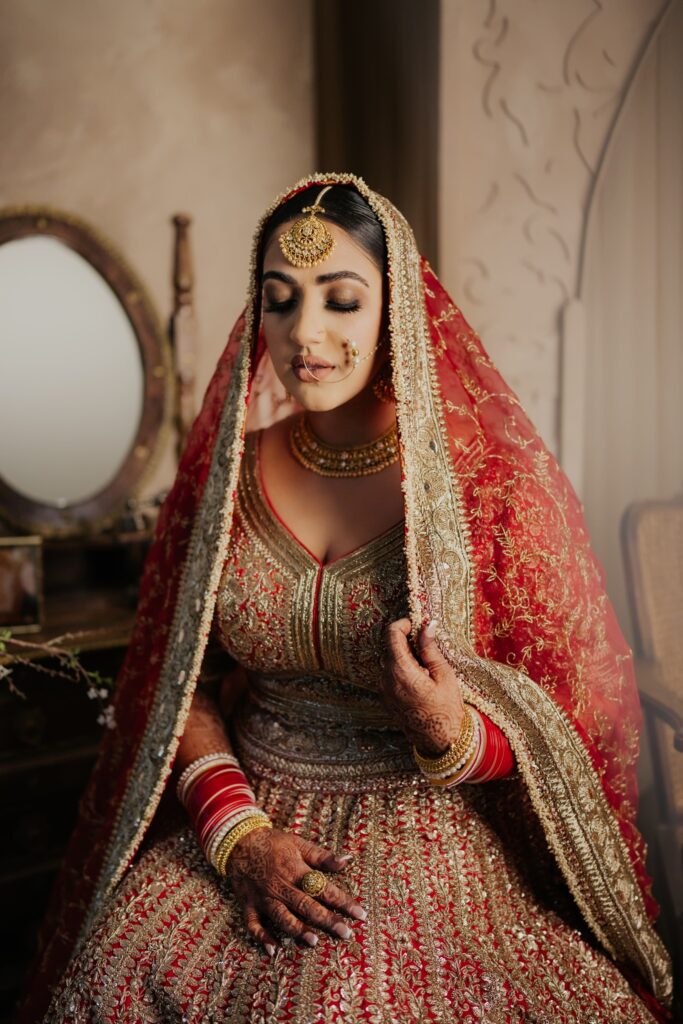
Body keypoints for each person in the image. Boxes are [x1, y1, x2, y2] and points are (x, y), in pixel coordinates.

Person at [20, 174, 673, 1023]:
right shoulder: (228, 471)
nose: (306, 334)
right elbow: (180, 681)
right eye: (280, 301)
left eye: (342, 301)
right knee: (117, 969)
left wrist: (452, 731)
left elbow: (571, 713)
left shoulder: (476, 483)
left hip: (418, 824)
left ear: (394, 310)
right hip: (247, 818)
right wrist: (235, 834)